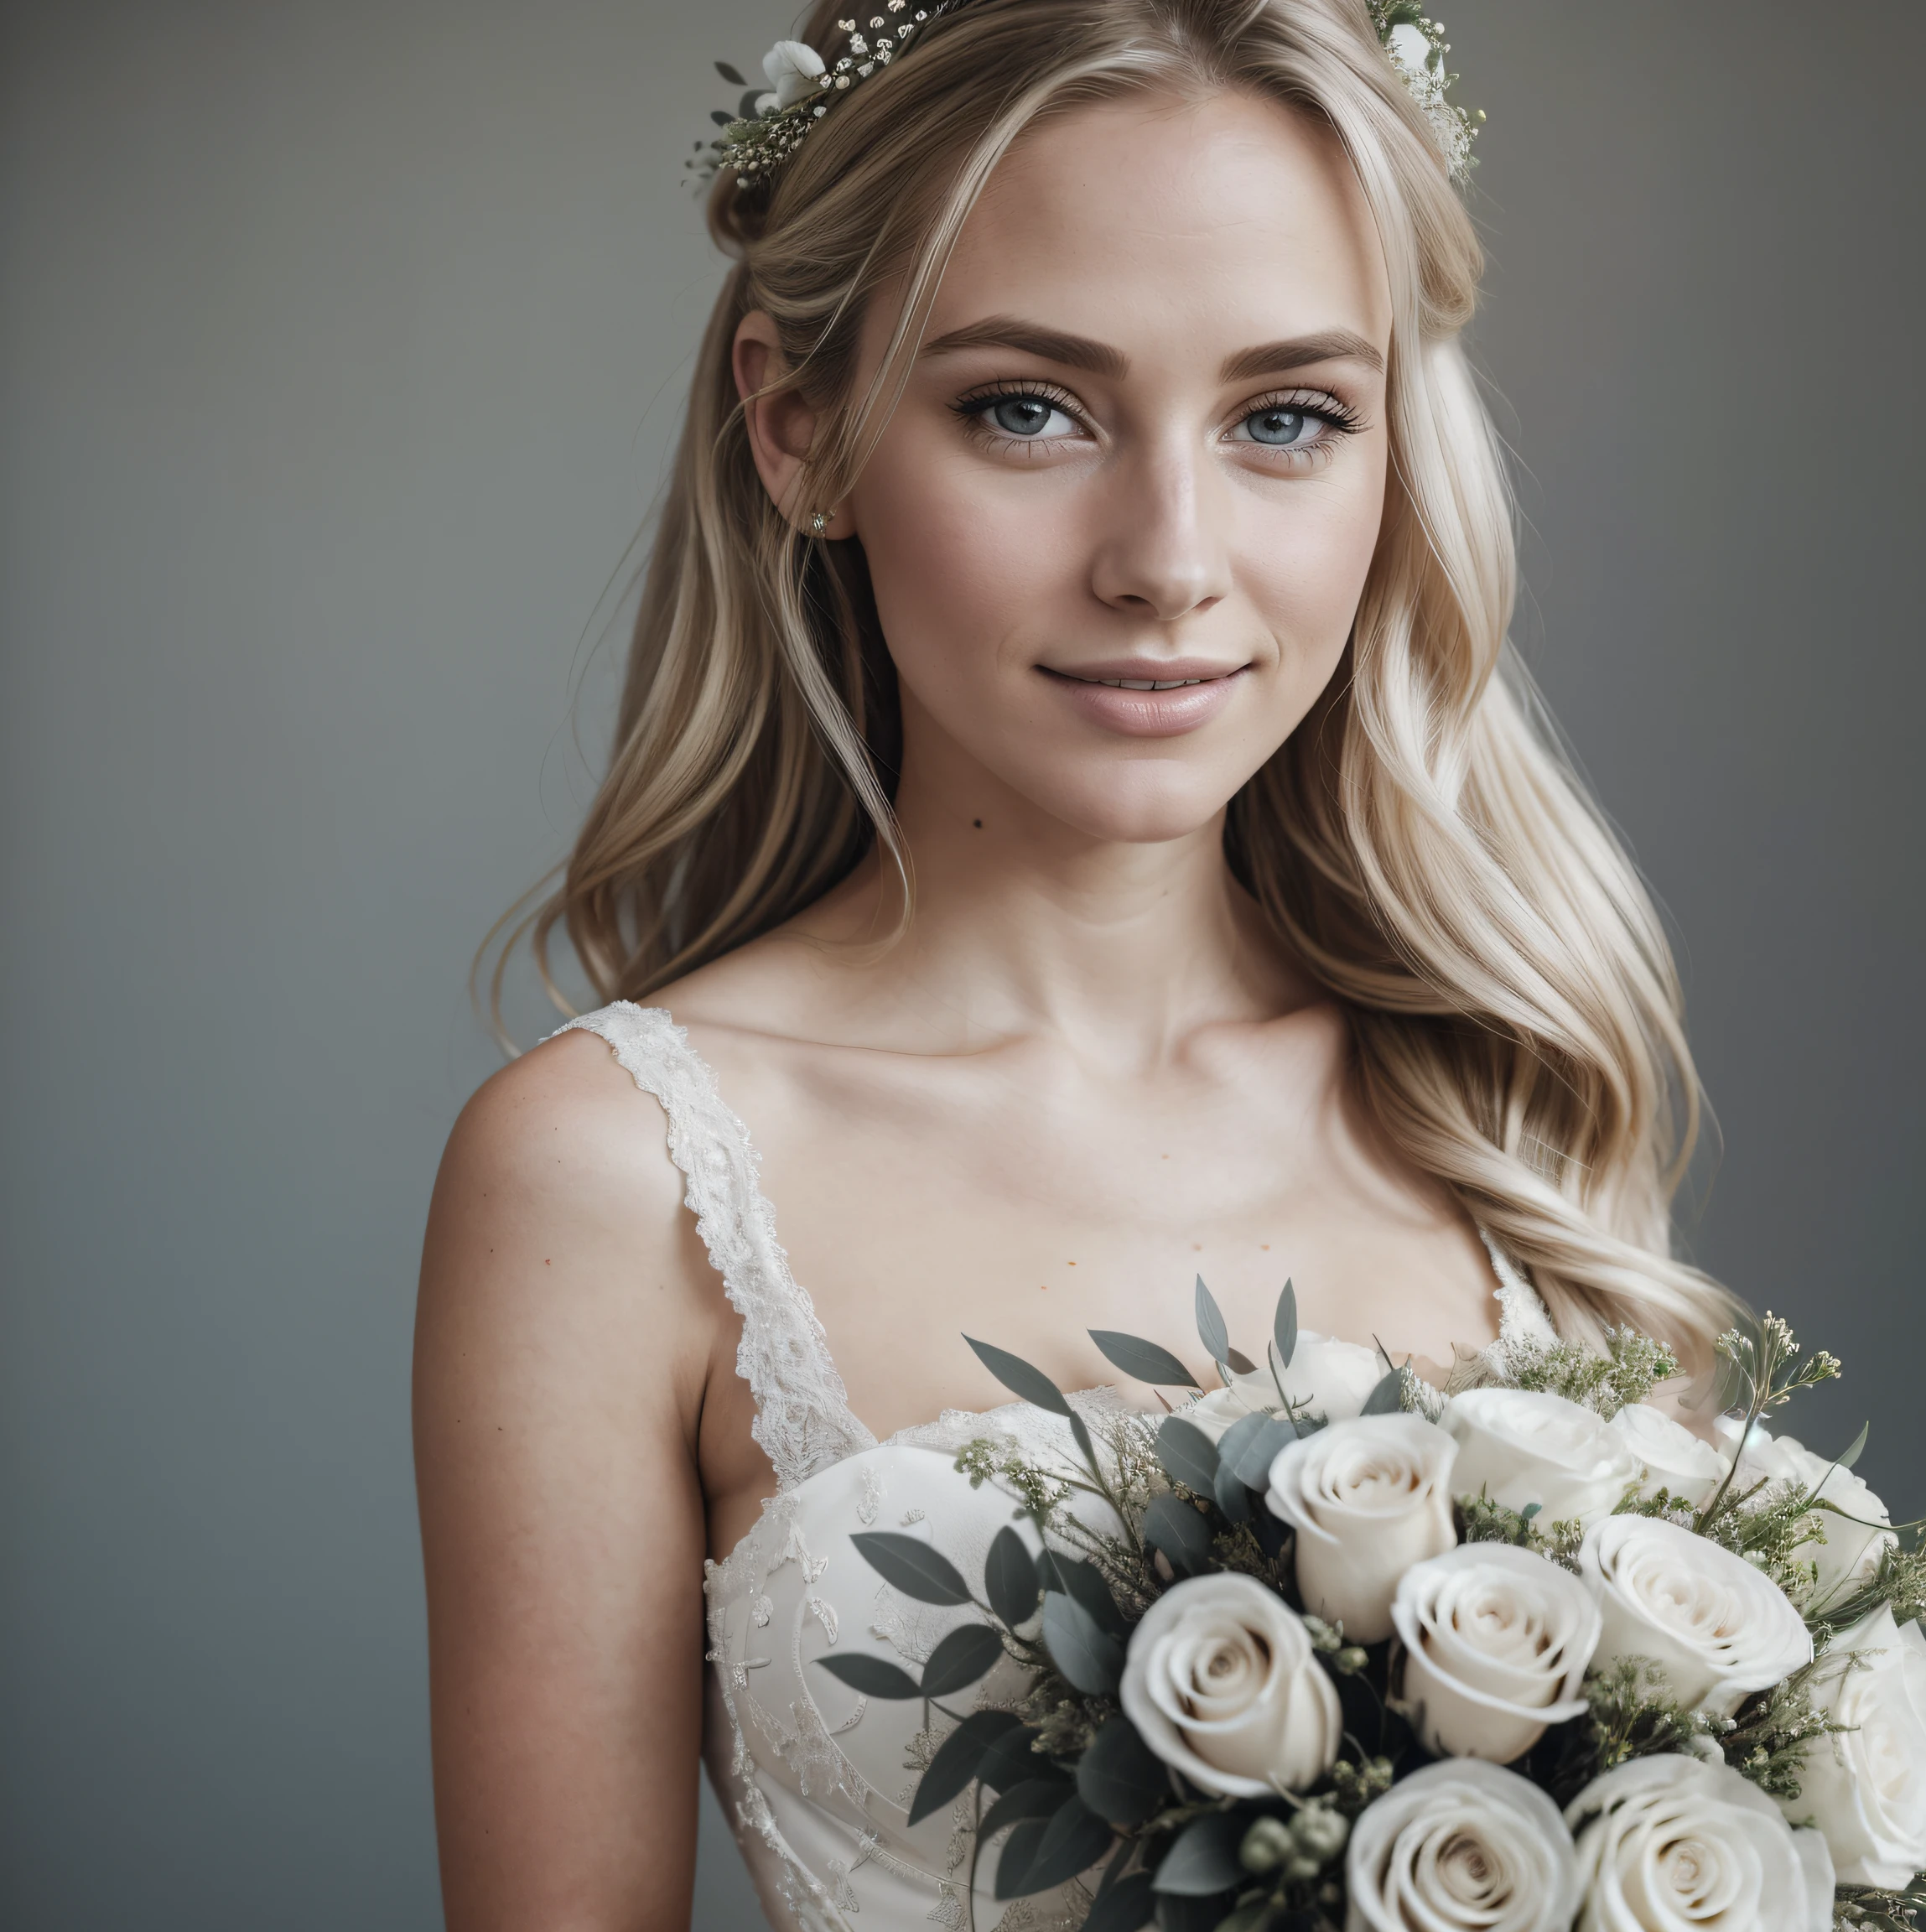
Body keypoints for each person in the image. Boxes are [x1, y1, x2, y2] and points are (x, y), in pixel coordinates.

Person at [414, 3, 1730, 1925]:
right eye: (1029, 407)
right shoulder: (610, 1178)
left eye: (1285, 417)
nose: (1169, 560)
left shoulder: (1507, 1098)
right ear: (804, 432)